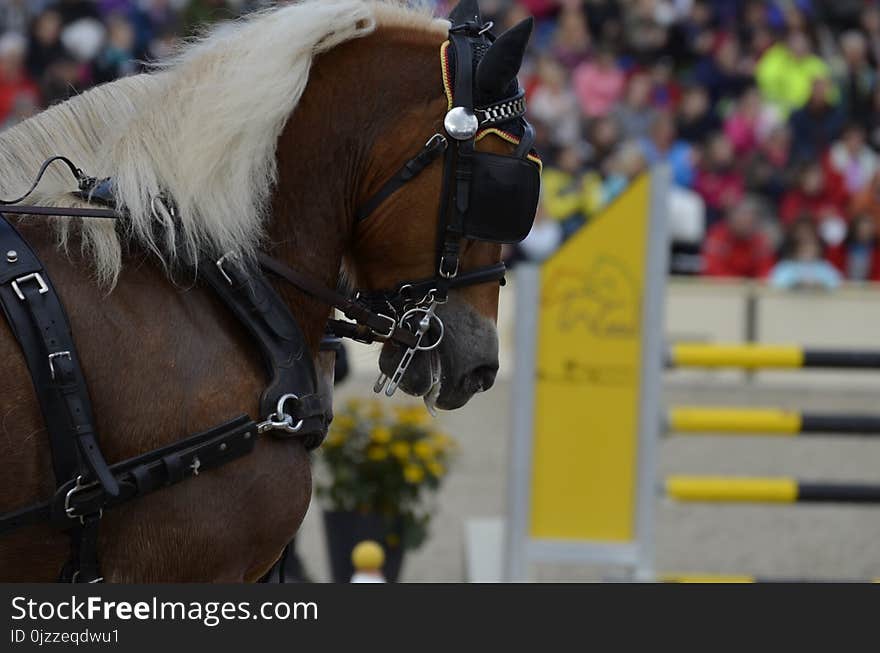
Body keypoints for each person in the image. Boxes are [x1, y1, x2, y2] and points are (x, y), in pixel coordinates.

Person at [701, 198, 774, 278]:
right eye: (741, 218)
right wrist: (738, 284)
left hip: (749, 287)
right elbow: (711, 269)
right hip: (719, 287)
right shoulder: (717, 236)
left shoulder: (760, 241)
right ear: (731, 218)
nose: (744, 224)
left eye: (749, 221)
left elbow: (766, 270)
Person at [769, 218, 842, 290]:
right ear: (796, 247)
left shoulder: (824, 267)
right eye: (804, 245)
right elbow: (777, 282)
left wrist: (819, 284)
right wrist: (797, 284)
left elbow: (837, 283)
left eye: (812, 245)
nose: (808, 249)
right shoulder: (786, 266)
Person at [827, 214, 880, 282]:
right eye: (861, 230)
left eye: (868, 230)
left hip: (870, 289)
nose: (864, 233)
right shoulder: (839, 251)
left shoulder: (877, 252)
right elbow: (833, 272)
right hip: (844, 287)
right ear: (854, 230)